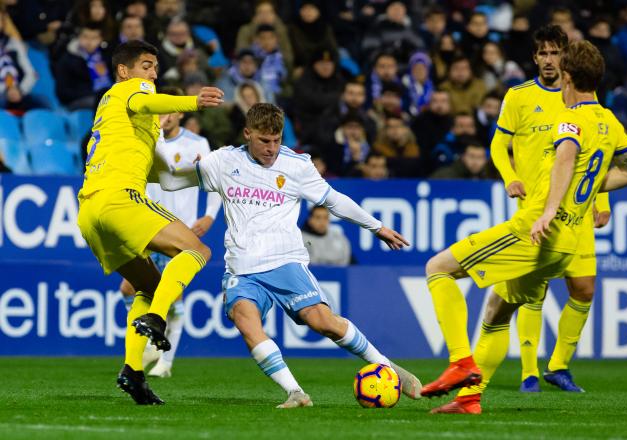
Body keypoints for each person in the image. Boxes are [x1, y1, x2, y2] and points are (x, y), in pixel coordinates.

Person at [419, 40, 627, 415]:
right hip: (568, 244)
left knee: (437, 268)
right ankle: (468, 400)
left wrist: (548, 211)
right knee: (497, 313)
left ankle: (461, 362)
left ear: (568, 76)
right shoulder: (610, 121)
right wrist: (585, 191)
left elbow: (564, 163)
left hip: (535, 230)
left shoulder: (571, 120)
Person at [156, 103, 422, 408]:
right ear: (248, 133)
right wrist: (160, 139)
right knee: (245, 321)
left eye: (277, 140)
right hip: (242, 268)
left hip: (286, 262)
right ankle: (295, 392)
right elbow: (171, 180)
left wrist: (376, 227)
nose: (271, 149)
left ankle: (389, 368)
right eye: (264, 141)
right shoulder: (223, 161)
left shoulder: (296, 166)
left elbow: (334, 200)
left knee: (323, 322)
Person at [76, 40, 223, 405]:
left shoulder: (128, 125)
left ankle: (133, 372)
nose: (153, 74)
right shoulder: (130, 92)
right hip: (119, 199)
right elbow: (144, 100)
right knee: (198, 249)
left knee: (148, 284)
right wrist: (191, 102)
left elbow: (171, 178)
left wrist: (216, 176)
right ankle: (158, 319)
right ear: (124, 71)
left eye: (155, 68)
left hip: (90, 213)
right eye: (146, 65)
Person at [489, 25, 614, 393]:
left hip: (576, 214)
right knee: (532, 290)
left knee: (584, 288)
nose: (548, 60)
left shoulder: (579, 99)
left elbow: (599, 151)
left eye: (555, 52)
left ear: (566, 58)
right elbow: (499, 145)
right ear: (534, 58)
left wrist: (602, 199)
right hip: (535, 212)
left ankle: (558, 366)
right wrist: (510, 176)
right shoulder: (518, 97)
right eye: (542, 53)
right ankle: (529, 372)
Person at [119, 86, 222, 379]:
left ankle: (165, 360)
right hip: (148, 226)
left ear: (179, 112)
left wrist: (210, 216)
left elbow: (213, 182)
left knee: (172, 296)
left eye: (167, 110)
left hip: (178, 228)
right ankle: (154, 343)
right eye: (158, 109)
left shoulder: (197, 143)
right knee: (128, 289)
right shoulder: (147, 138)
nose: (162, 115)